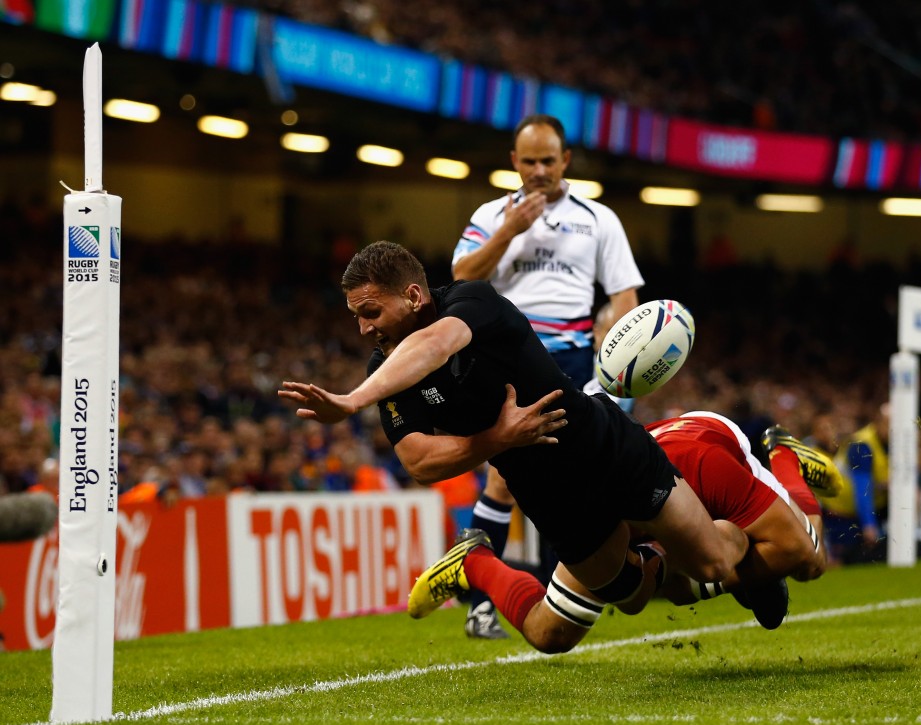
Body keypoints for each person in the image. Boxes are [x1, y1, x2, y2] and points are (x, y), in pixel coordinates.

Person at [278, 241, 751, 635]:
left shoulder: (472, 301)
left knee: (713, 565)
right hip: (545, 493)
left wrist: (352, 401)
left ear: (414, 296)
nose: (363, 328)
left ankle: (750, 560)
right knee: (628, 596)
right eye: (355, 316)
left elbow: (436, 344)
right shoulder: (385, 370)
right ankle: (661, 554)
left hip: (599, 447)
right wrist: (498, 438)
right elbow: (419, 463)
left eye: (371, 311)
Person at [405, 410, 842, 653]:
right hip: (640, 503)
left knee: (809, 560)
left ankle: (783, 452)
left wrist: (685, 584)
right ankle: (472, 558)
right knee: (549, 633)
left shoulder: (705, 468)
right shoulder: (581, 508)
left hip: (701, 443)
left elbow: (794, 550)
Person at [451, 113, 644, 637]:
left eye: (548, 160)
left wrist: (616, 344)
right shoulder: (491, 214)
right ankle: (479, 601)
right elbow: (461, 276)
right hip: (507, 359)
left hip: (576, 360)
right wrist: (511, 231)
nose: (539, 170)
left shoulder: (598, 219)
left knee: (595, 472)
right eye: (529, 160)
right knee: (505, 477)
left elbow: (625, 297)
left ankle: (597, 581)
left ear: (566, 161)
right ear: (514, 162)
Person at [822, 403, 890, 565]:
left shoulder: (897, 444)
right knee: (843, 562)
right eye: (889, 424)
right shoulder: (861, 445)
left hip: (871, 507)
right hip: (840, 513)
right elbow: (863, 487)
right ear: (878, 422)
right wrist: (869, 525)